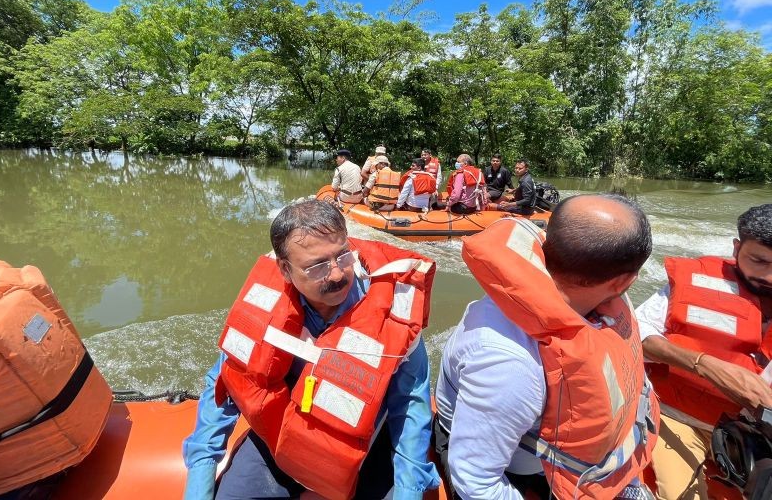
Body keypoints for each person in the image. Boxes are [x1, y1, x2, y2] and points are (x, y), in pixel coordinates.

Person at [183, 199, 440, 500]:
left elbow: (410, 403)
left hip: (365, 444)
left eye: (342, 255)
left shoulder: (392, 312)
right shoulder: (264, 308)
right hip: (281, 438)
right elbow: (224, 384)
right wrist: (200, 477)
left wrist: (408, 490)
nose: (335, 274)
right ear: (285, 270)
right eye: (317, 266)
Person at [435, 194, 659, 500]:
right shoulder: (508, 364)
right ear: (624, 281)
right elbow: (476, 481)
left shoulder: (609, 309)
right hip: (508, 467)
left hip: (556, 455)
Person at [636, 203, 772, 500]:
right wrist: (704, 364)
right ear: (737, 249)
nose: (770, 277)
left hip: (755, 435)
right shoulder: (695, 279)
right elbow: (637, 334)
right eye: (759, 261)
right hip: (678, 416)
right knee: (678, 494)